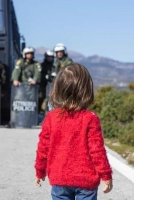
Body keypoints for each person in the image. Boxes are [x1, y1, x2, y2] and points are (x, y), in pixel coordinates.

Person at [34, 63, 113, 200]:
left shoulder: (51, 118)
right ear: (86, 90)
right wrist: (105, 175)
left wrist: (40, 171)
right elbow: (97, 151)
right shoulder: (90, 118)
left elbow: (43, 148)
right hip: (86, 181)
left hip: (60, 179)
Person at [39, 50, 55, 114]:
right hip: (42, 86)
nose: (49, 58)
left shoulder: (55, 65)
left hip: (51, 86)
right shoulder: (42, 65)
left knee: (50, 100)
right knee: (40, 98)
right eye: (48, 57)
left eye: (51, 57)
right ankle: (40, 112)